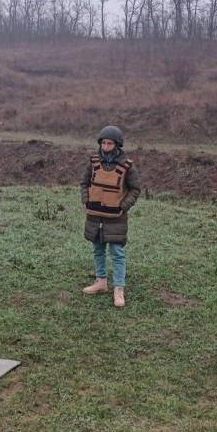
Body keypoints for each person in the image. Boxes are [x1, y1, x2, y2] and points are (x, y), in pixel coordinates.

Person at [80, 125, 141, 308]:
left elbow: (135, 189)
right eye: (103, 143)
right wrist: (85, 199)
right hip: (94, 215)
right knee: (97, 249)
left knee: (117, 253)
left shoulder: (128, 166)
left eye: (109, 143)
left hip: (116, 217)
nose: (106, 146)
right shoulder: (92, 162)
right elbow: (84, 183)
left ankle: (119, 289)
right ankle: (101, 282)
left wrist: (123, 206)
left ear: (117, 145)